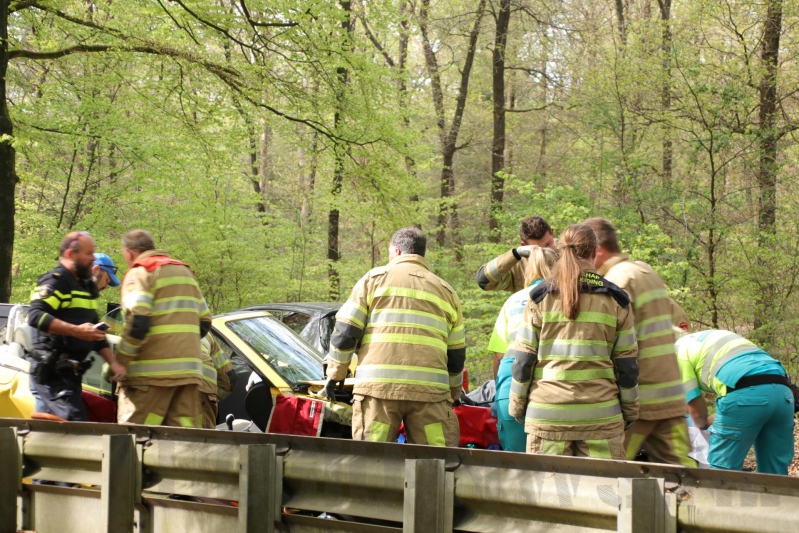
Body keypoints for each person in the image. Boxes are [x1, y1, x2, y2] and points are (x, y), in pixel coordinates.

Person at [507, 224, 639, 459]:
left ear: (561, 250)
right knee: (604, 492)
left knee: (549, 490)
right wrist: (630, 410)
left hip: (547, 415)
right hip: (601, 416)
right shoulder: (617, 300)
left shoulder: (540, 298)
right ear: (594, 251)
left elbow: (523, 360)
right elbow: (627, 366)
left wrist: (516, 405)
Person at [324, 227, 464, 446]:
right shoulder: (447, 292)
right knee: (436, 463)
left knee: (374, 461)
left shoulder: (372, 280)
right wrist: (454, 392)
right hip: (431, 396)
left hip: (379, 393)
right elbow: (456, 354)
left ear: (396, 251)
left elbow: (346, 332)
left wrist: (335, 373)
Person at [584, 218, 695, 467]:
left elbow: (616, 346)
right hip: (671, 400)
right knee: (683, 479)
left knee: (606, 474)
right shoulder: (647, 273)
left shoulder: (616, 282)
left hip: (639, 404)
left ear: (598, 250)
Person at [116, 230, 212, 428]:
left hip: (148, 379)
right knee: (182, 440)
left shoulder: (140, 272)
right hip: (188, 376)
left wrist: (120, 362)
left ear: (128, 253)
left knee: (135, 437)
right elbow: (204, 323)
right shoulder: (185, 272)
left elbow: (138, 323)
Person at [26, 231, 127, 421]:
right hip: (52, 375)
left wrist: (112, 362)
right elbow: (35, 316)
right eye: (88, 253)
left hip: (71, 376)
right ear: (71, 255)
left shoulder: (85, 289)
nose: (92, 259)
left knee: (67, 434)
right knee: (75, 429)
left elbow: (97, 334)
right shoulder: (55, 282)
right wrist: (77, 331)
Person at [676, 330, 795, 474]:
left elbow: (698, 415)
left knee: (723, 472)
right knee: (775, 471)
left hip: (744, 394)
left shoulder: (677, 353)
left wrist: (704, 423)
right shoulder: (709, 337)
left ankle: (720, 497)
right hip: (784, 392)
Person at [489, 247, 558, 452]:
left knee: (516, 465)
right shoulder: (563, 298)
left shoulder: (512, 301)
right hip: (548, 382)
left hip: (509, 382)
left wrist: (499, 391)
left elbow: (499, 357)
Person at [474, 216, 556, 293]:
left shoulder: (567, 252)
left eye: (548, 244)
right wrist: (515, 254)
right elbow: (483, 281)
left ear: (552, 233)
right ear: (524, 245)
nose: (545, 251)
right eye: (537, 249)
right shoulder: (518, 266)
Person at [199, 335, 236, 429]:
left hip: (163, 384)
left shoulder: (159, 324)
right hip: (202, 386)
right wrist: (212, 398)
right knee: (200, 439)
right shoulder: (206, 332)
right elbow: (229, 380)